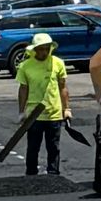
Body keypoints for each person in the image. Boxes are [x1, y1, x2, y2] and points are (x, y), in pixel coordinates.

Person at [14, 29, 71, 177]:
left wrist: (66, 109)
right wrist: (21, 112)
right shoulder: (26, 66)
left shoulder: (57, 63)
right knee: (33, 147)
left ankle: (53, 174)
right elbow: (23, 89)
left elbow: (63, 87)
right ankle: (31, 174)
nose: (44, 52)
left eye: (46, 48)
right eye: (41, 49)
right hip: (34, 115)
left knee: (53, 147)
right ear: (34, 50)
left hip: (54, 113)